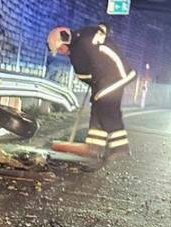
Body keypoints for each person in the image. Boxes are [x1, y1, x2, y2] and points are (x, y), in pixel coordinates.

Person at [48, 24, 136, 160]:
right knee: (97, 107)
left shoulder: (77, 53)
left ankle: (120, 149)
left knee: (107, 110)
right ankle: (94, 147)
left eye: (61, 48)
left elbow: (83, 76)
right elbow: (104, 27)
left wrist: (94, 84)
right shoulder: (86, 33)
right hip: (116, 73)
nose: (62, 52)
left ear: (65, 40)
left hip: (111, 76)